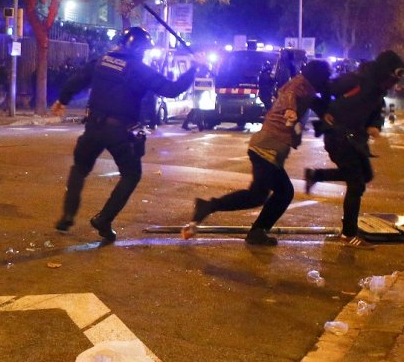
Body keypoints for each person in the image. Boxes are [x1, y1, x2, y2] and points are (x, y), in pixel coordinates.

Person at [50, 27, 205, 242]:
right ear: (141, 50)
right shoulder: (140, 70)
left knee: (80, 169)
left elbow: (76, 80)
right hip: (120, 131)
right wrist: (194, 68)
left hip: (93, 127)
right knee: (131, 175)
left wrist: (62, 100)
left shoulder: (102, 61)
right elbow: (172, 90)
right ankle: (104, 219)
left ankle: (68, 216)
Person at [182, 60, 332, 245]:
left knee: (282, 192)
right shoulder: (299, 85)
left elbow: (319, 104)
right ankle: (210, 207)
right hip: (267, 148)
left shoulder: (308, 89)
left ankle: (256, 231)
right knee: (259, 195)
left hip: (268, 148)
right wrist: (291, 110)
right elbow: (289, 95)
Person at [305, 50, 404, 248]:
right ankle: (348, 234)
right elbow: (322, 92)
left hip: (355, 141)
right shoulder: (356, 80)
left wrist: (375, 125)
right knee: (357, 184)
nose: (394, 84)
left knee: (365, 175)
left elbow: (378, 111)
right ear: (385, 72)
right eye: (393, 78)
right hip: (338, 137)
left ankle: (317, 175)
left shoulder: (378, 90)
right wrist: (325, 112)